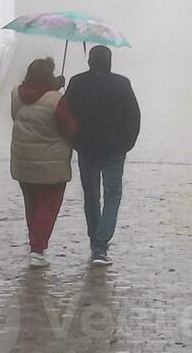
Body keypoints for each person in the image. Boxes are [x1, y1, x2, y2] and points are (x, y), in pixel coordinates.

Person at [64, 44, 140, 267]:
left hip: (86, 149)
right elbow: (133, 116)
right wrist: (127, 143)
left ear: (89, 61)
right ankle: (101, 244)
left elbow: (65, 113)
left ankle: (95, 243)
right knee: (113, 194)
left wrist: (75, 141)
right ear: (109, 61)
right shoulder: (121, 83)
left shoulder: (77, 82)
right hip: (115, 149)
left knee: (91, 196)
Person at [9, 58, 77, 268]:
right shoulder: (57, 100)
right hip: (51, 164)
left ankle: (34, 244)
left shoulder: (16, 94)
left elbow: (16, 117)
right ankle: (37, 249)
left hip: (24, 159)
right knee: (48, 205)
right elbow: (69, 129)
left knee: (32, 204)